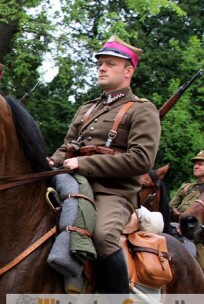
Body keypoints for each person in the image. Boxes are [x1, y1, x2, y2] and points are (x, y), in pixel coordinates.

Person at [49, 35, 161, 294]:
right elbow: (67, 148)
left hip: (113, 192)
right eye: (100, 63)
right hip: (72, 185)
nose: (101, 68)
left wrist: (84, 163)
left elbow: (141, 159)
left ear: (129, 71)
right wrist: (50, 161)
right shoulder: (86, 109)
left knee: (100, 236)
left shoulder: (142, 109)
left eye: (110, 63)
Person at [169, 150, 204, 269]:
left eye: (200, 164)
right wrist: (175, 212)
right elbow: (171, 206)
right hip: (178, 230)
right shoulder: (187, 187)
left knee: (197, 268)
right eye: (195, 164)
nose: (196, 166)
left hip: (199, 238)